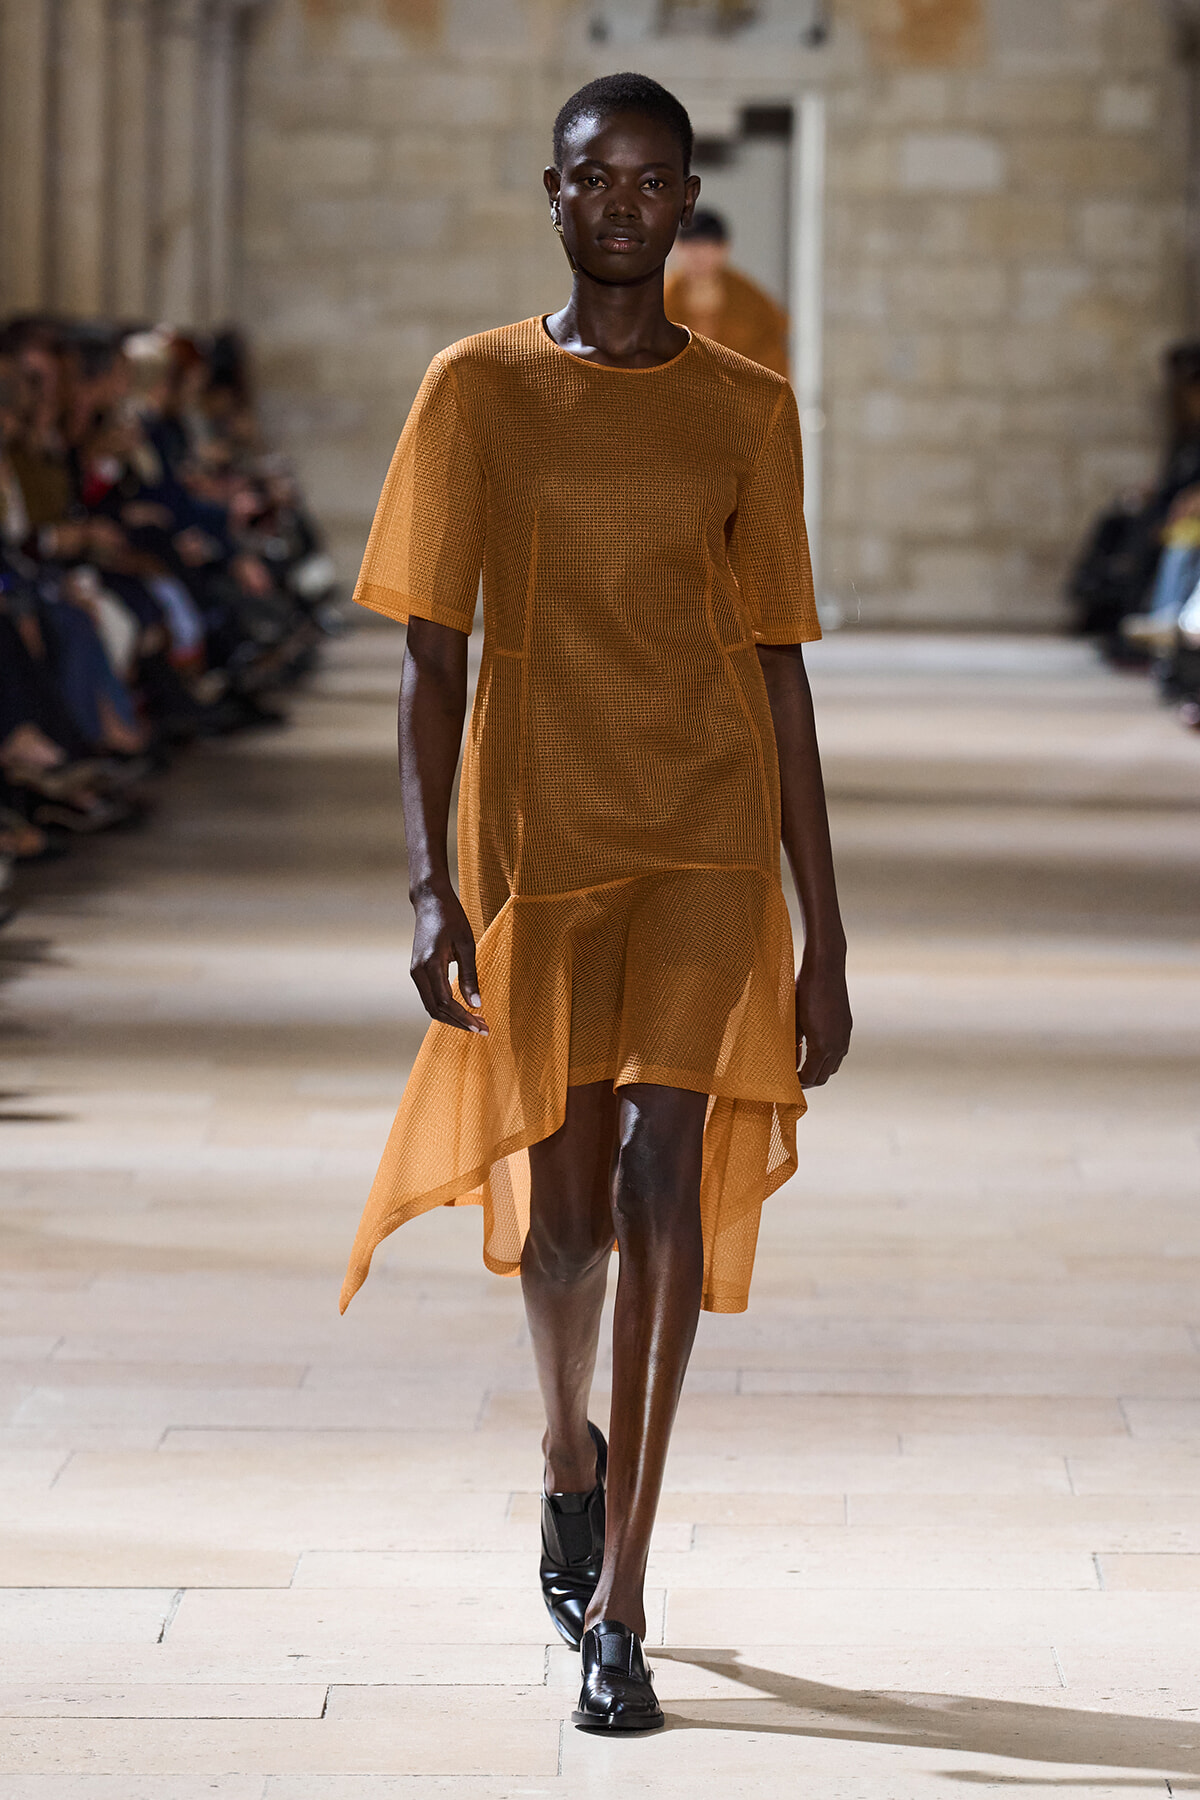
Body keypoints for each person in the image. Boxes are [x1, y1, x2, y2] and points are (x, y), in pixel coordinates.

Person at [339, 71, 852, 1734]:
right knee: (561, 1220)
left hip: (705, 827)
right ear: (550, 194)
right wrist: (430, 883)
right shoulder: (472, 391)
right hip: (542, 833)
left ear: (690, 195)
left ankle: (622, 1599)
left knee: (657, 1184)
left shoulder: (747, 405)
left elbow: (778, 664)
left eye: (652, 178)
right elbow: (430, 655)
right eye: (592, 175)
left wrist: (825, 926)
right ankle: (568, 1444)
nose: (623, 201)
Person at [664, 207, 790, 377]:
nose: (699, 255)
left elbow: (773, 367)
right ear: (675, 248)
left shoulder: (752, 304)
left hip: (739, 397)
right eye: (691, 246)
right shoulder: (654, 301)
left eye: (708, 246)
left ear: (725, 248)